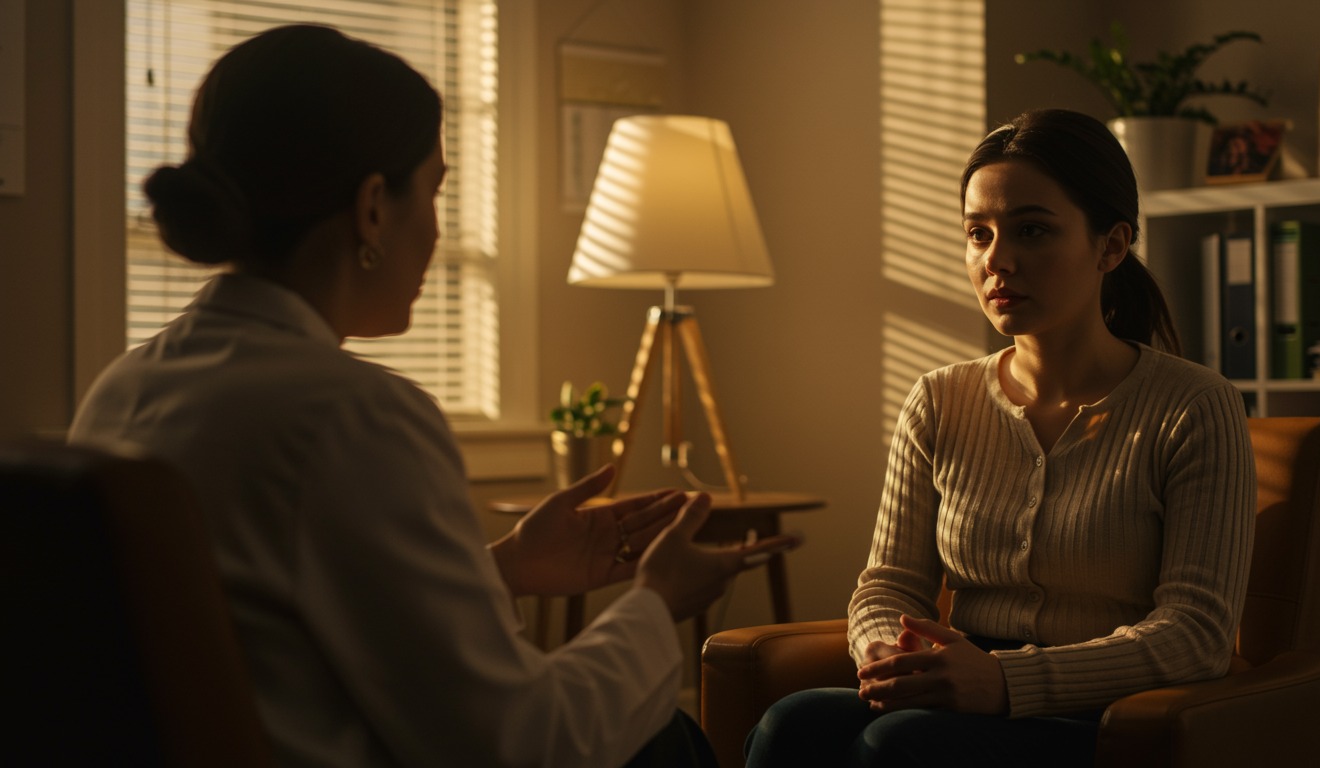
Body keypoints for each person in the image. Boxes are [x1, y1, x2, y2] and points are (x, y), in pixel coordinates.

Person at [68, 24, 797, 768]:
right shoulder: (353, 417)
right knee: (666, 745)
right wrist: (654, 601)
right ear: (374, 208)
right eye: (437, 189)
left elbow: (271, 620)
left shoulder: (125, 388)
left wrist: (503, 566)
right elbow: (521, 747)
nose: (439, 229)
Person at [744, 108, 1256, 767]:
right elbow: (889, 584)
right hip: (960, 679)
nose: (997, 260)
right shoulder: (939, 399)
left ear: (1111, 245)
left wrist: (1009, 682)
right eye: (977, 234)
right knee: (793, 725)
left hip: (1104, 711)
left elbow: (1197, 635)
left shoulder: (1193, 405)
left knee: (896, 746)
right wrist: (885, 653)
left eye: (1031, 230)